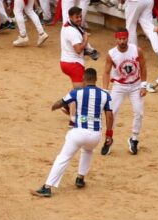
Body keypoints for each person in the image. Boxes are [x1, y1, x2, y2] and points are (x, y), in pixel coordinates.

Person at [31, 67, 113, 198]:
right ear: (96, 79)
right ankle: (80, 178)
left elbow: (59, 103)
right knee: (87, 151)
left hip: (79, 133)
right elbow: (109, 115)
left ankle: (47, 187)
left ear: (83, 79)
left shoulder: (77, 92)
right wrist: (109, 134)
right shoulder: (105, 95)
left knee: (63, 158)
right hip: (95, 136)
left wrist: (54, 107)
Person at [102, 29, 146, 155]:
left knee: (139, 112)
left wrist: (143, 85)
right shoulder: (111, 54)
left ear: (128, 38)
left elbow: (143, 66)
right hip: (119, 86)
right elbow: (106, 72)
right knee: (112, 112)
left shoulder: (137, 50)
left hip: (136, 85)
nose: (122, 41)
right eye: (120, 39)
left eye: (124, 39)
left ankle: (134, 139)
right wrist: (105, 89)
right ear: (116, 39)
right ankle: (108, 138)